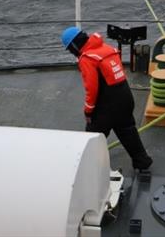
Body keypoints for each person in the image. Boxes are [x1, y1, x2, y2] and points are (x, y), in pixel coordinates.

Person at [61, 26, 153, 170]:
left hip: (109, 104)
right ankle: (143, 162)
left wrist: (88, 111)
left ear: (74, 45)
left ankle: (91, 168)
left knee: (93, 135)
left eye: (70, 49)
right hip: (125, 95)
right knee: (127, 130)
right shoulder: (106, 48)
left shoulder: (87, 58)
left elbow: (92, 88)